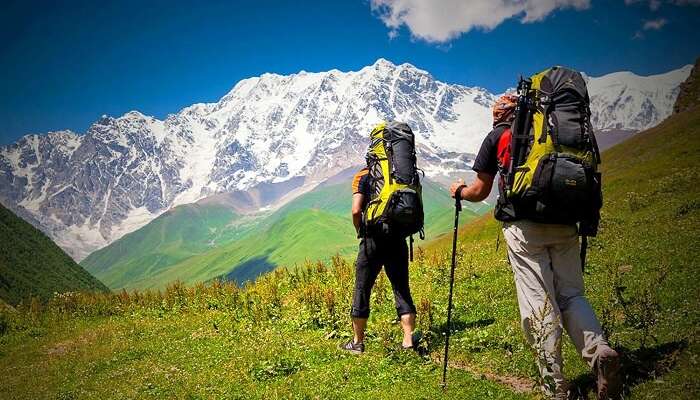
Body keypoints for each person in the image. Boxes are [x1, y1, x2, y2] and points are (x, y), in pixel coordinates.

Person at [449, 94, 621, 399]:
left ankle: (554, 384)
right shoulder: (556, 135)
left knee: (538, 303)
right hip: (566, 223)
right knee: (572, 295)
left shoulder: (500, 136)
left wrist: (459, 191)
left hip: (525, 228)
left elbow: (480, 190)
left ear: (500, 114)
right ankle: (599, 352)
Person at [339, 166, 417, 354]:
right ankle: (408, 340)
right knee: (401, 288)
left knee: (362, 289)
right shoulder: (401, 172)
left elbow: (356, 210)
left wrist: (360, 231)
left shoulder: (363, 174)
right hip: (397, 238)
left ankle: (357, 343)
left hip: (372, 239)